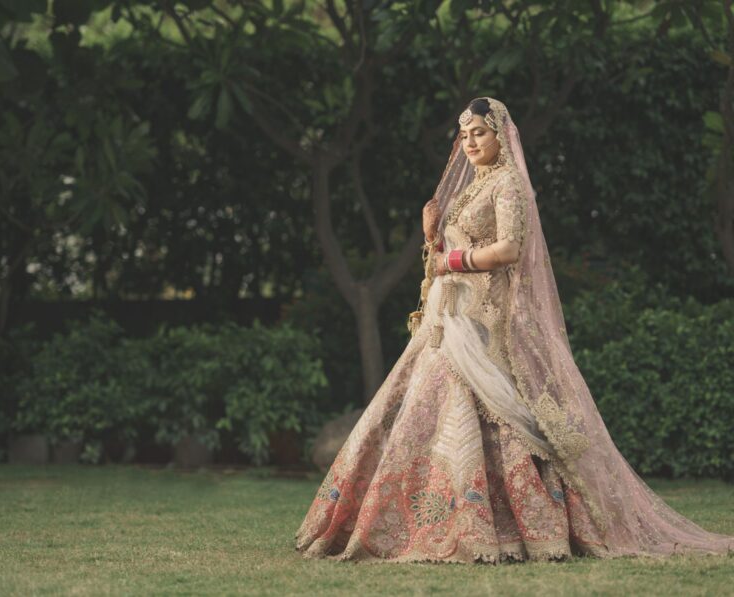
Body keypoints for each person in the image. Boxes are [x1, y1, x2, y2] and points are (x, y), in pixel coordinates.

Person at [294, 96, 734, 563]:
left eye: (479, 133)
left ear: (500, 135)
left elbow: (507, 250)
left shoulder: (509, 186)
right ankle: (400, 527)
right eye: (463, 136)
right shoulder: (473, 187)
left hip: (483, 326)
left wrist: (449, 259)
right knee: (416, 415)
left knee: (484, 415)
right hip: (450, 321)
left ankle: (504, 529)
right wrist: (432, 239)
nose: (470, 144)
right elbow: (453, 254)